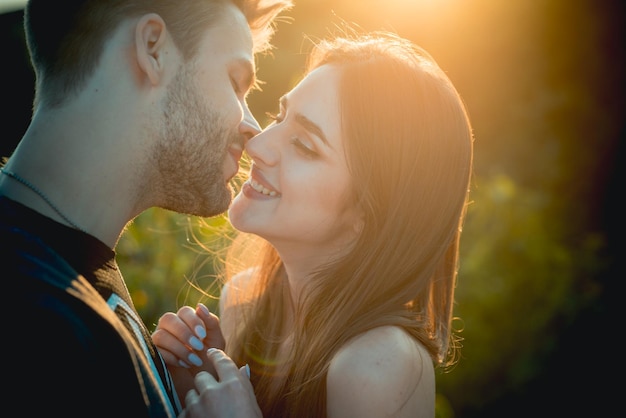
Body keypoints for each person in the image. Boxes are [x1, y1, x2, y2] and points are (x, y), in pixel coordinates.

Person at [153, 29, 475, 418]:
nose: (256, 145)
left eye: (305, 145)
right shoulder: (241, 306)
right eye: (279, 116)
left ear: (368, 215)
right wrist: (197, 385)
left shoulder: (379, 365)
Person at [1, 0, 292, 416]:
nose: (252, 127)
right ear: (153, 48)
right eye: (235, 81)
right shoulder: (35, 329)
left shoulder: (70, 272)